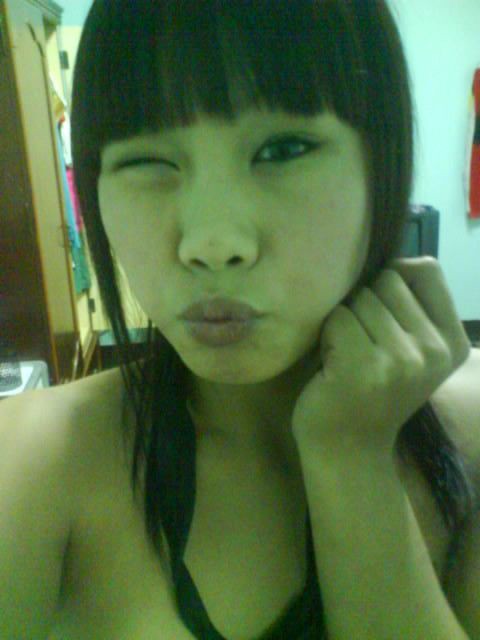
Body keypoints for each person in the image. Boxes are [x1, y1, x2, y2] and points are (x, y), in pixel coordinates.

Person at [2, 2, 478, 639]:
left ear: (383, 164)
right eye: (147, 162)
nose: (212, 243)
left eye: (283, 149)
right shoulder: (34, 460)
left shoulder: (471, 436)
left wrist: (352, 458)